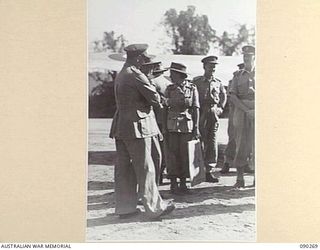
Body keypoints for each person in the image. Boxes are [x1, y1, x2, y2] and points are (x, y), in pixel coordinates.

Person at [109, 43, 175, 219]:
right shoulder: (136, 75)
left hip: (122, 126)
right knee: (146, 167)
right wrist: (153, 82)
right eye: (144, 58)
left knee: (124, 169)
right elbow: (154, 98)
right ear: (138, 58)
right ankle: (154, 208)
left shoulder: (123, 73)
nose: (146, 61)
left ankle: (125, 208)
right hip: (138, 126)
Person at [163, 62, 200, 194]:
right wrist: (164, 128)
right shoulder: (169, 89)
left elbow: (196, 108)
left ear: (180, 75)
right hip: (171, 125)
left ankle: (183, 184)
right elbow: (164, 109)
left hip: (186, 125)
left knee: (185, 155)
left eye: (172, 74)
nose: (170, 76)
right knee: (172, 154)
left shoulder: (192, 88)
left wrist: (196, 127)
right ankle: (173, 184)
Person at [193, 56, 227, 183]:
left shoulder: (218, 82)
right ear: (204, 67)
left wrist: (221, 108)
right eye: (210, 66)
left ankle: (209, 170)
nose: (212, 68)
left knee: (212, 141)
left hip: (213, 112)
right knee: (198, 139)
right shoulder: (197, 81)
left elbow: (224, 95)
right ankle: (197, 171)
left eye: (214, 66)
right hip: (200, 111)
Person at [140, 60, 171, 185]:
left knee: (155, 150)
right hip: (167, 119)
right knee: (164, 149)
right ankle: (161, 174)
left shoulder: (151, 82)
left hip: (156, 119)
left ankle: (157, 178)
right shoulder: (167, 82)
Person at [229, 45, 255, 188]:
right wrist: (246, 110)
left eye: (249, 57)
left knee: (258, 144)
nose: (247, 59)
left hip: (259, 111)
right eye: (244, 57)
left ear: (255, 58)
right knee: (241, 144)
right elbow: (232, 96)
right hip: (242, 111)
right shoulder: (237, 75)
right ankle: (240, 178)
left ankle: (258, 178)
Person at [221, 63, 245, 174]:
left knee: (245, 139)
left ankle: (246, 164)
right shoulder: (233, 81)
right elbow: (231, 96)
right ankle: (227, 162)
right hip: (234, 112)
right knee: (232, 138)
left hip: (245, 112)